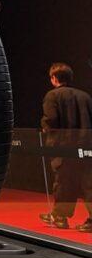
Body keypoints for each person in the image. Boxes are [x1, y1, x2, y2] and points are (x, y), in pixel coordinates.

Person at [39, 62, 92, 232]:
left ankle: (60, 218)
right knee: (89, 184)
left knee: (63, 182)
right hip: (87, 146)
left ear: (54, 78)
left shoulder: (52, 95)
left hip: (63, 147)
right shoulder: (85, 96)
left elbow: (51, 119)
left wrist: (44, 128)